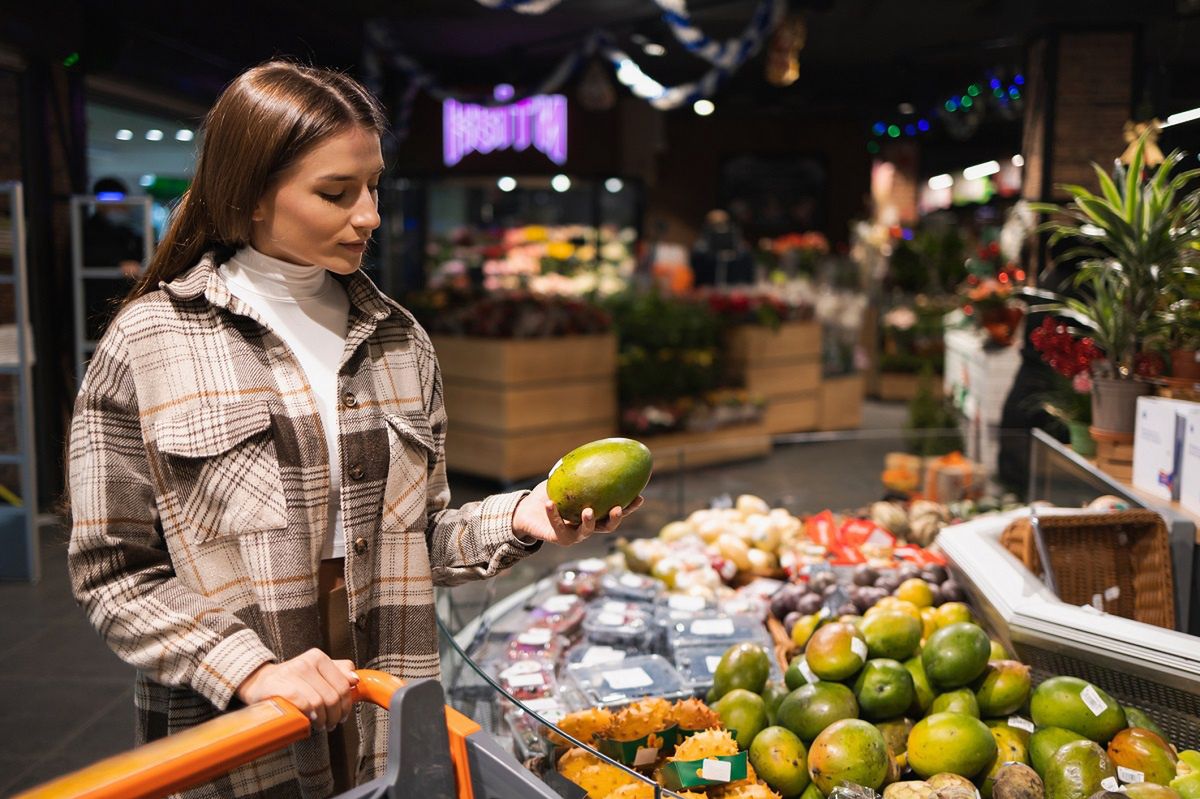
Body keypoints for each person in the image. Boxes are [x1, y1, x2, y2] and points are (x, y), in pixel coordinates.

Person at [66, 61, 641, 799]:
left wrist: (521, 516)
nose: (367, 215)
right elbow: (113, 572)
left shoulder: (399, 341)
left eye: (372, 187)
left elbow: (419, 536)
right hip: (236, 712)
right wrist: (252, 667)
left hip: (387, 691)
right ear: (247, 192)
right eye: (336, 193)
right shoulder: (149, 341)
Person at [690, 209, 754, 286]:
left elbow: (745, 263)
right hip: (707, 285)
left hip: (734, 285)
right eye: (715, 224)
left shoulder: (737, 242)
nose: (719, 228)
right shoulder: (701, 245)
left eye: (722, 223)